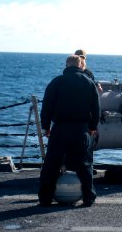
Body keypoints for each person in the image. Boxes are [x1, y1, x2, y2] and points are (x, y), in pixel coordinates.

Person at [38, 54, 100, 207]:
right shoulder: (89, 83)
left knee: (52, 164)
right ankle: (88, 198)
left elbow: (46, 107)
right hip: (81, 129)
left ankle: (45, 198)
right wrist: (92, 127)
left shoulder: (56, 82)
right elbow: (96, 109)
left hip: (60, 128)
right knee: (84, 164)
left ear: (66, 66)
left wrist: (46, 126)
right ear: (80, 65)